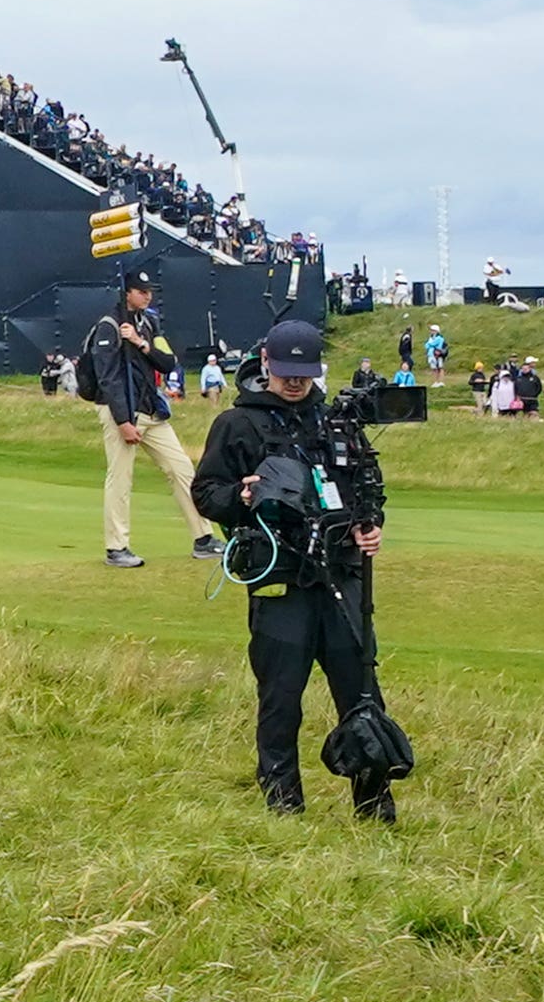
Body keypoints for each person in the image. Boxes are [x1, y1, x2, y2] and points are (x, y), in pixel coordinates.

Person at [192, 318, 393, 819]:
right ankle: (283, 805)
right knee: (281, 699)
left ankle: (373, 804)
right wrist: (242, 496)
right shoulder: (236, 424)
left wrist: (371, 527)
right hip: (278, 578)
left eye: (303, 373)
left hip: (341, 577)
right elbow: (205, 494)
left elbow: (367, 489)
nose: (295, 382)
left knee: (362, 693)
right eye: (286, 373)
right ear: (266, 365)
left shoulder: (336, 421)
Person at [87, 273, 202, 566]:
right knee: (120, 478)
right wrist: (123, 421)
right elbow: (108, 378)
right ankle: (116, 547)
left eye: (150, 291)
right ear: (127, 293)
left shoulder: (147, 324)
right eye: (141, 291)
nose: (148, 296)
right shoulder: (108, 325)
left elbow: (167, 362)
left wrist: (139, 342)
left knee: (181, 469)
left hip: (151, 409)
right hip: (122, 411)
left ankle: (203, 537)